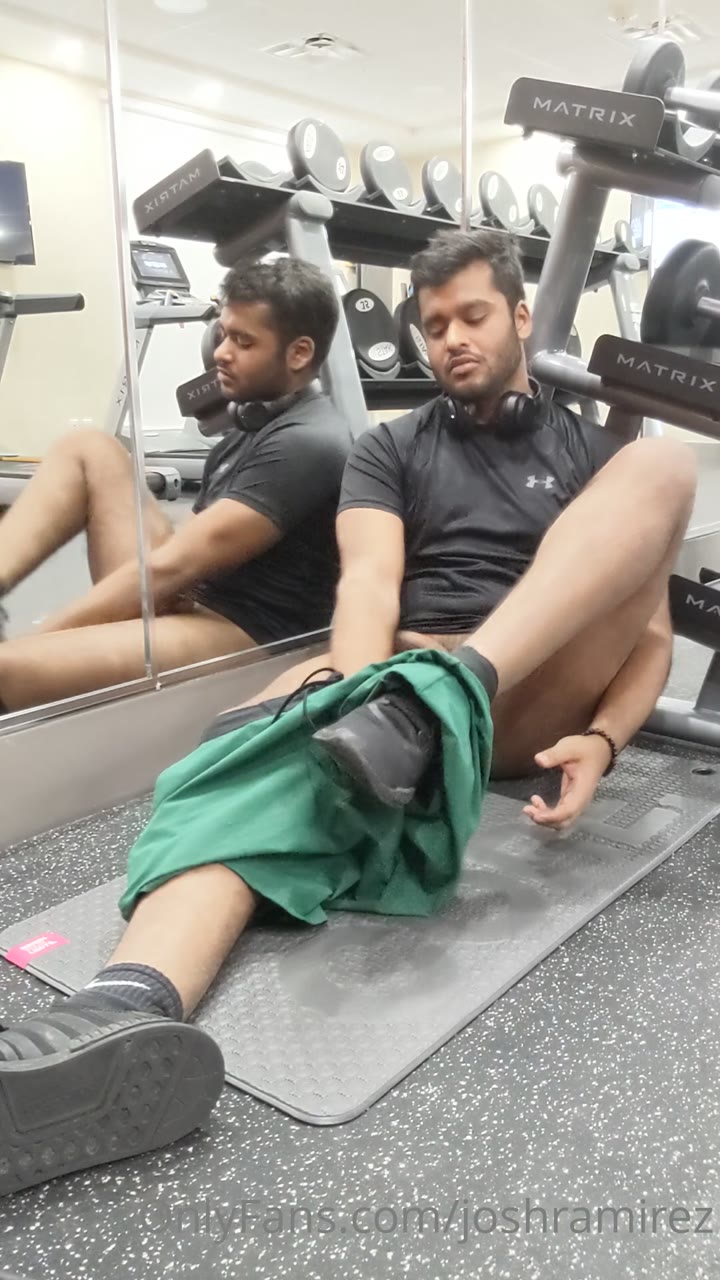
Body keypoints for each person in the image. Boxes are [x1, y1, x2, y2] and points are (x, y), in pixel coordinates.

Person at [0, 229, 696, 1197]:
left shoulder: (597, 453)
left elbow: (649, 637)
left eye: (474, 317)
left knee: (669, 468)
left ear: (521, 318)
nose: (452, 339)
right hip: (400, 675)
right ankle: (119, 1012)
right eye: (434, 324)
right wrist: (358, 695)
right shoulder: (388, 446)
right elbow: (367, 581)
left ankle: (423, 706)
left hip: (526, 684)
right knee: (245, 773)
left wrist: (606, 736)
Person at [0, 258, 350, 712]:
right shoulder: (251, 423)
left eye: (243, 341)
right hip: (194, 599)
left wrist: (38, 643)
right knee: (90, 449)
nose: (221, 353)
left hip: (248, 634)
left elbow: (170, 569)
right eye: (223, 335)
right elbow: (181, 562)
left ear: (299, 353)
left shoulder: (309, 442)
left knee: (7, 668)